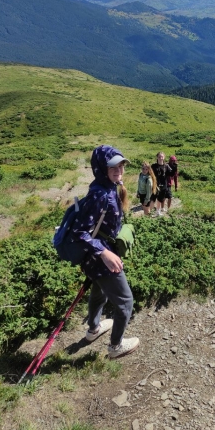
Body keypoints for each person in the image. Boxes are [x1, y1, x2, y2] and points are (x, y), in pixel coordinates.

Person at [71, 145, 140, 358]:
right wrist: (105, 253)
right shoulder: (99, 194)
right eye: (113, 166)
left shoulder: (108, 186)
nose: (119, 169)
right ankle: (115, 347)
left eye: (121, 165)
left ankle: (93, 330)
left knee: (98, 292)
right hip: (100, 257)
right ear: (101, 168)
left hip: (96, 258)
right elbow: (79, 232)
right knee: (126, 302)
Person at [151, 151, 174, 216]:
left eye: (162, 157)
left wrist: (174, 168)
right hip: (155, 185)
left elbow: (171, 174)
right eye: (159, 157)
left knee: (160, 199)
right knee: (152, 199)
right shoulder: (153, 166)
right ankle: (149, 212)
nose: (161, 158)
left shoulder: (166, 166)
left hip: (164, 185)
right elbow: (149, 174)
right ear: (157, 157)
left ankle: (158, 212)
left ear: (164, 158)